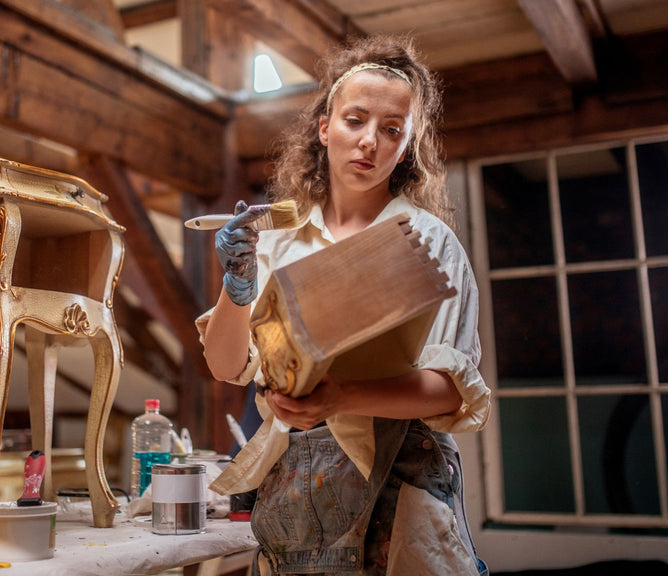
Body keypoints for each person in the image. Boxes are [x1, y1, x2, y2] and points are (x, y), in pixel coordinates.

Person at [196, 34, 491, 575]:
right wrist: (236, 288)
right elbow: (225, 365)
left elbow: (449, 388)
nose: (370, 142)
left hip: (403, 489)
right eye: (355, 120)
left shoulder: (426, 242)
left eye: (392, 130)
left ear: (408, 147)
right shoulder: (279, 242)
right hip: (294, 487)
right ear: (324, 126)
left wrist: (342, 397)